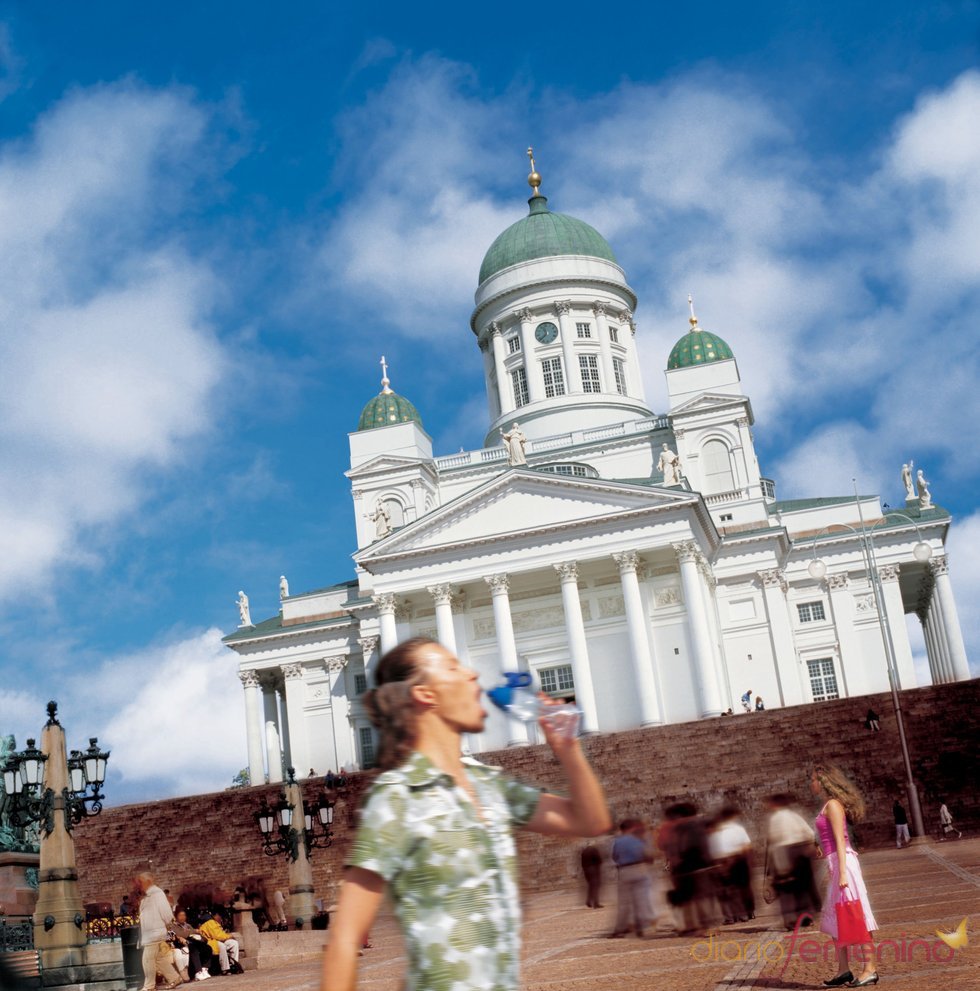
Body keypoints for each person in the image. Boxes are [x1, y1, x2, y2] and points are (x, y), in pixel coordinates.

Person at [319, 637, 610, 991]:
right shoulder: (399, 796)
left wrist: (568, 749)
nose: (472, 674)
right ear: (425, 694)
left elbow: (590, 821)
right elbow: (345, 938)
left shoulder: (490, 785)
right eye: (453, 667)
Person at [811, 766, 879, 987]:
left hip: (844, 864)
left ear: (823, 782)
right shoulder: (827, 805)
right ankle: (843, 970)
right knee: (835, 918)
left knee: (855, 913)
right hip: (836, 862)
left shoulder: (833, 805)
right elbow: (830, 839)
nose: (811, 784)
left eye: (813, 780)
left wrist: (841, 872)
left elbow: (841, 840)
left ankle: (870, 968)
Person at [765, 793, 821, 930]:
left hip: (784, 853)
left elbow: (773, 842)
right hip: (801, 851)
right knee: (803, 887)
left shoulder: (775, 819)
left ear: (774, 804)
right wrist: (814, 847)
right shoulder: (794, 816)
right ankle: (806, 918)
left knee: (786, 889)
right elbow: (809, 833)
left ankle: (790, 921)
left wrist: (773, 866)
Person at [134, 871, 182, 991]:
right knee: (159, 958)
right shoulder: (147, 895)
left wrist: (169, 924)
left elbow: (166, 912)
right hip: (150, 933)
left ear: (148, 881)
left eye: (141, 882)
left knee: (147, 959)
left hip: (154, 933)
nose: (139, 884)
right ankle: (174, 978)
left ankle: (149, 986)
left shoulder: (157, 893)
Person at [609, 819, 655, 938]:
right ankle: (643, 927)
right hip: (640, 868)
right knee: (641, 900)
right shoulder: (638, 839)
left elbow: (614, 857)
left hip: (624, 870)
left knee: (624, 903)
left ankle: (620, 929)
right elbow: (647, 854)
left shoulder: (617, 841)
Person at [169, 908, 213, 982]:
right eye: (180, 915)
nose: (182, 917)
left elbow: (195, 933)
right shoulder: (174, 926)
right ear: (176, 917)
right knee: (193, 949)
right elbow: (181, 934)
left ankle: (204, 969)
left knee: (207, 948)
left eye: (184, 915)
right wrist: (194, 931)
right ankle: (198, 972)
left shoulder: (188, 925)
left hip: (193, 942)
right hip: (181, 944)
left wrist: (197, 934)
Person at [199, 910, 242, 975]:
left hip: (217, 941)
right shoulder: (210, 922)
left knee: (234, 943)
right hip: (210, 942)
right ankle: (225, 969)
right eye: (220, 916)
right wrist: (229, 936)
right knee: (222, 946)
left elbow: (220, 935)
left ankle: (233, 964)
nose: (220, 918)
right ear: (216, 915)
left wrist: (228, 937)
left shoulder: (215, 922)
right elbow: (217, 936)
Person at [580, 843, 603, 908]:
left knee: (591, 886)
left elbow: (582, 863)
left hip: (586, 870)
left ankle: (588, 901)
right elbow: (599, 859)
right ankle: (595, 903)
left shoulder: (584, 852)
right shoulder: (594, 850)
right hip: (594, 870)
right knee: (595, 886)